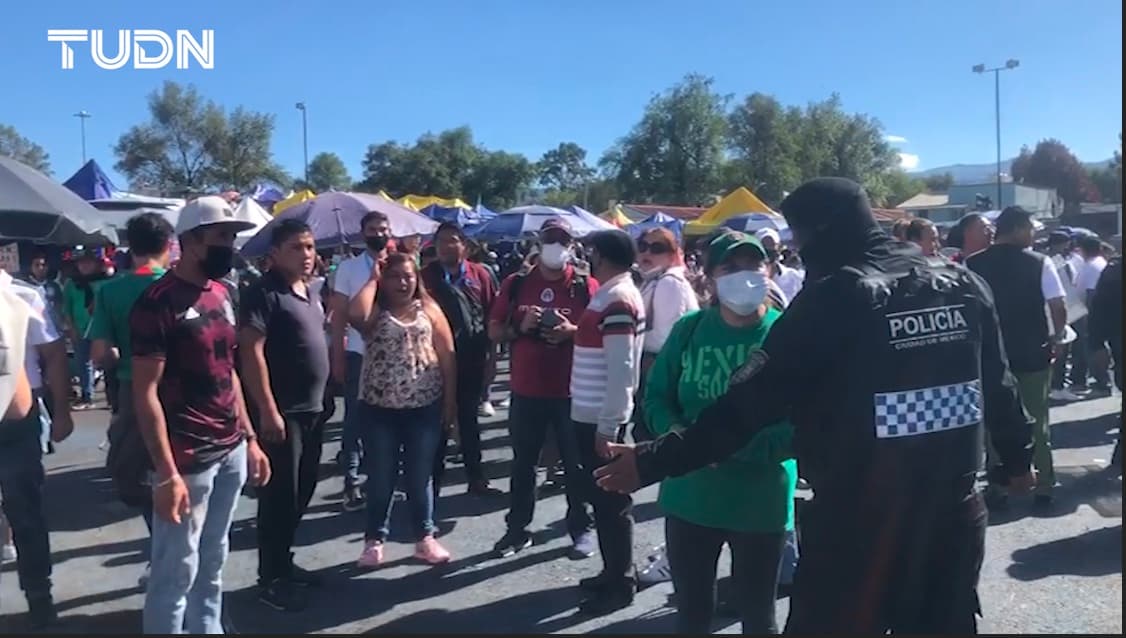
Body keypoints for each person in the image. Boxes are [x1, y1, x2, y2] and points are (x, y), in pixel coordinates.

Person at [595, 178, 1036, 634]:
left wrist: (652, 460)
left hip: (857, 524)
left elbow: (747, 406)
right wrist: (1018, 460)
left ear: (820, 231)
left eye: (799, 236)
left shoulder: (834, 300)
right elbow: (999, 386)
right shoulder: (962, 283)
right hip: (952, 518)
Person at [130, 196, 272, 634]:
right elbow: (145, 392)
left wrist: (249, 438)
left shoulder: (223, 293)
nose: (229, 246)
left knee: (213, 562)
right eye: (220, 238)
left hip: (229, 449)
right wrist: (166, 473)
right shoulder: (156, 303)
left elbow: (228, 373)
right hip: (187, 458)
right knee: (175, 572)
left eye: (232, 237)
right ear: (190, 242)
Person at [645, 231, 796, 634]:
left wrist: (732, 448)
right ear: (709, 276)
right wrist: (683, 442)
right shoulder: (689, 331)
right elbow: (657, 398)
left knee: (759, 619)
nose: (743, 275)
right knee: (692, 616)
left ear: (768, 270)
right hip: (690, 497)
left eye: (753, 264)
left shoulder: (788, 335)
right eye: (730, 267)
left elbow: (805, 420)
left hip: (761, 501)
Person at [488, 217, 597, 559]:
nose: (556, 246)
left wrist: (571, 331)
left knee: (577, 465)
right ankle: (517, 530)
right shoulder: (516, 283)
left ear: (571, 246)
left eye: (562, 240)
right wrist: (520, 327)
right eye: (550, 238)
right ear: (538, 242)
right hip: (526, 390)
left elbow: (603, 334)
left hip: (572, 391)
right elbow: (493, 331)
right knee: (523, 465)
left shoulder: (585, 286)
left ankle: (582, 528)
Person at [238, 219, 330, 612]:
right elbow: (250, 351)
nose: (306, 255)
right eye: (297, 248)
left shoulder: (308, 292)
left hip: (313, 409)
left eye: (309, 247)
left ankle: (285, 562)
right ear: (274, 255)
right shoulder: (263, 293)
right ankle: (270, 578)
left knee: (303, 490)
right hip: (283, 412)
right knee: (278, 498)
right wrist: (267, 410)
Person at [349, 253, 457, 567]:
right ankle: (374, 540)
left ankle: (425, 537)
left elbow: (447, 355)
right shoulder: (375, 312)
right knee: (381, 477)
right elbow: (354, 314)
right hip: (378, 409)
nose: (403, 282)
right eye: (395, 276)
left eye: (408, 276)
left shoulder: (430, 309)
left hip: (423, 407)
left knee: (419, 476)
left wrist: (450, 402)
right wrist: (372, 278)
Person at [89, 212, 175, 589]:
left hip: (133, 390)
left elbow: (99, 354)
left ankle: (160, 551)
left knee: (143, 471)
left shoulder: (109, 292)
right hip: (184, 390)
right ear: (168, 245)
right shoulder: (180, 286)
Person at [966, 207, 1067, 507]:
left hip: (990, 358)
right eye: (1031, 229)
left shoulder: (973, 264)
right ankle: (1044, 484)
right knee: (1038, 420)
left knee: (994, 421)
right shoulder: (1039, 262)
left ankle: (999, 485)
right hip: (1033, 353)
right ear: (1020, 228)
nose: (1034, 234)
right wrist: (1057, 338)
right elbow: (1058, 305)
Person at [571, 229, 646, 616]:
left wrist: (608, 425)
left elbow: (622, 369)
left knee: (612, 502)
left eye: (590, 252)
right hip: (593, 413)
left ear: (600, 255)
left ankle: (621, 582)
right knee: (603, 502)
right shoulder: (611, 292)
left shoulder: (617, 298)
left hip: (601, 418)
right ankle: (613, 571)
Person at [0, 269, 74, 629]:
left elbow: (55, 355)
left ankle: (39, 594)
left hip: (15, 422)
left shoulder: (22, 296)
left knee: (25, 514)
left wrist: (62, 411)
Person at [421, 222, 501, 497]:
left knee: (468, 420)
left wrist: (492, 359)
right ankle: (431, 481)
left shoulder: (481, 275)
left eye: (453, 240)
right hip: (432, 362)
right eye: (441, 241)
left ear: (464, 246)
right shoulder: (425, 278)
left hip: (472, 359)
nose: (446, 246)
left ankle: (476, 477)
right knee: (435, 423)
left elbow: (493, 316)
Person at [330, 212, 393, 512]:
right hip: (358, 353)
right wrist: (338, 357)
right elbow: (339, 316)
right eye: (372, 229)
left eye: (383, 229)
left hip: (394, 355)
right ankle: (351, 480)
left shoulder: (401, 265)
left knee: (388, 420)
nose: (378, 234)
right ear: (363, 232)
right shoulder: (348, 268)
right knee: (355, 419)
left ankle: (381, 478)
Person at [62, 250, 110, 409]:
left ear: (96, 264)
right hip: (81, 328)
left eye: (88, 262)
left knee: (108, 362)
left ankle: (112, 396)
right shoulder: (71, 283)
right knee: (83, 362)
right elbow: (67, 308)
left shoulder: (104, 282)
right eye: (81, 263)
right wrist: (72, 328)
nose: (84, 266)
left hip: (101, 329)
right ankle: (87, 396)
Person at [1088, 254, 1122, 470]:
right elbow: (1099, 309)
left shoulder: (1113, 271)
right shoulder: (1114, 272)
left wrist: (1097, 343)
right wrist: (1097, 344)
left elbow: (1097, 310)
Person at [1045, 231, 1086, 402]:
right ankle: (1056, 386)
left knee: (1068, 347)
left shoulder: (1069, 259)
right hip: (1059, 309)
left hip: (1071, 307)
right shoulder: (1051, 262)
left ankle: (1059, 383)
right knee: (1061, 348)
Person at [1071, 235, 1112, 395]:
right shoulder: (1096, 264)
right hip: (1091, 312)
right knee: (1091, 348)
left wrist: (1089, 316)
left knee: (1092, 348)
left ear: (1083, 249)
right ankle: (1100, 380)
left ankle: (1103, 382)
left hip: (1090, 313)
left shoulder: (1093, 266)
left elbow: (1092, 292)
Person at [756, 229, 804, 302]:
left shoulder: (793, 276)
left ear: (779, 247)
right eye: (764, 246)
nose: (769, 249)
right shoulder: (749, 279)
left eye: (772, 245)